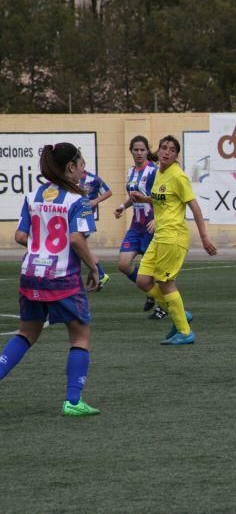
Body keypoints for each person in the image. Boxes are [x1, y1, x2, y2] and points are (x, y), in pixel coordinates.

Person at [0, 143, 102, 416]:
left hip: (31, 274)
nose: (84, 169)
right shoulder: (78, 200)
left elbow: (20, 237)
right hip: (62, 278)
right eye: (81, 164)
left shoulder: (33, 196)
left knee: (26, 334)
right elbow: (76, 239)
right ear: (70, 167)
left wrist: (42, 247)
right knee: (80, 335)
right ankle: (73, 400)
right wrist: (95, 268)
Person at [131, 135, 217, 345]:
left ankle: (185, 331)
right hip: (160, 236)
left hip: (173, 236)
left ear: (176, 155)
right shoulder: (159, 172)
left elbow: (194, 207)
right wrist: (145, 199)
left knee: (165, 281)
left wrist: (204, 237)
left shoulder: (178, 176)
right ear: (158, 151)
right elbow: (165, 198)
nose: (167, 152)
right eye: (164, 148)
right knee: (143, 280)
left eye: (171, 149)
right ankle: (179, 313)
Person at [114, 136, 167, 319]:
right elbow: (135, 196)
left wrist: (158, 220)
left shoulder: (153, 172)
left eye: (142, 150)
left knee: (157, 271)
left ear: (147, 151)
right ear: (131, 151)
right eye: (135, 150)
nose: (138, 153)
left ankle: (162, 306)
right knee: (123, 264)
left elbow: (162, 198)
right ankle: (149, 291)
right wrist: (123, 206)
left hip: (151, 226)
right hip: (136, 227)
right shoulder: (131, 172)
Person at [79, 164, 112, 288]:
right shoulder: (70, 178)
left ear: (82, 165)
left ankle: (100, 273)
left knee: (80, 247)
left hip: (85, 218)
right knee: (81, 247)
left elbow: (108, 192)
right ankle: (100, 274)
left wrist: (95, 201)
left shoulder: (93, 179)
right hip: (74, 218)